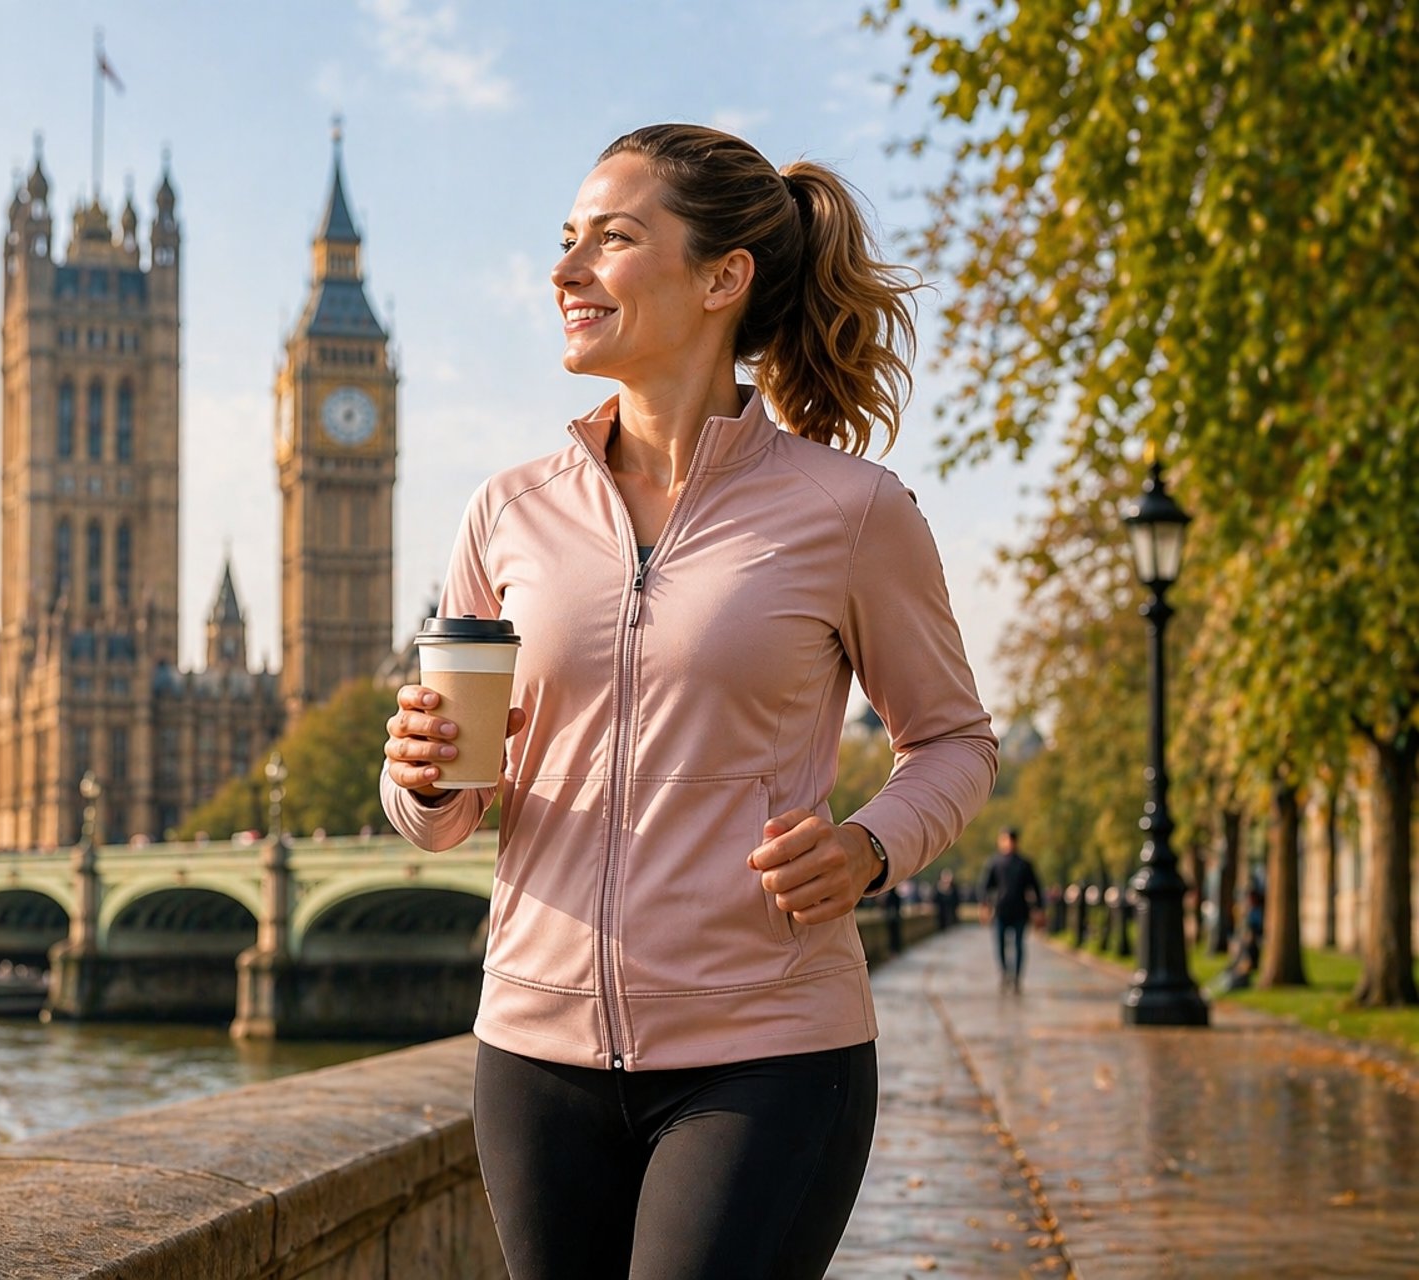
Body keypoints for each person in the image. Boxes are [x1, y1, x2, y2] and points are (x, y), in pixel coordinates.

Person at [379, 124, 998, 1279]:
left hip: (764, 1048)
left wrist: (868, 847)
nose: (566, 270)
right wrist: (414, 774)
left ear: (723, 277)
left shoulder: (850, 509)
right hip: (532, 1049)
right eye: (565, 242)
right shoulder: (506, 511)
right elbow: (450, 811)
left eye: (612, 240)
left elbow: (955, 741)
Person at [979, 827, 1044, 992]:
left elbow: (1035, 888)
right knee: (1000, 944)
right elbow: (985, 887)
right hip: (1001, 910)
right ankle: (1004, 972)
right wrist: (984, 905)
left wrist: (1039, 909)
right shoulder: (994, 863)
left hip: (1020, 911)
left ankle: (1016, 977)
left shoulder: (1024, 864)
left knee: (1019, 945)